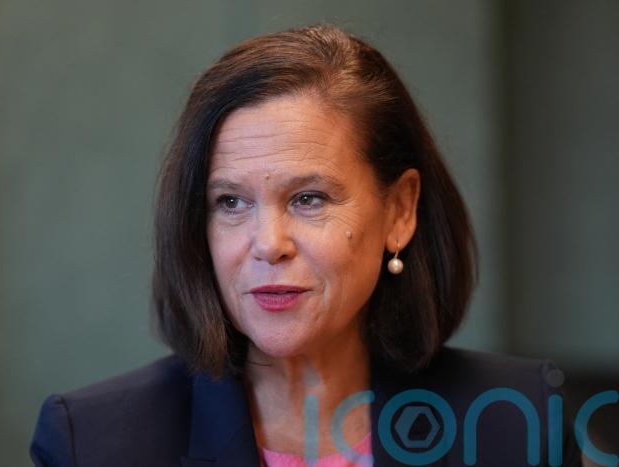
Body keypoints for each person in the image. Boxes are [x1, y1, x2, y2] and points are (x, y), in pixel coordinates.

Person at [30, 24, 583, 466]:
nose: (268, 244)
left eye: (308, 198)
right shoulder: (91, 443)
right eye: (230, 202)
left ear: (399, 211)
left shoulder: (519, 422)